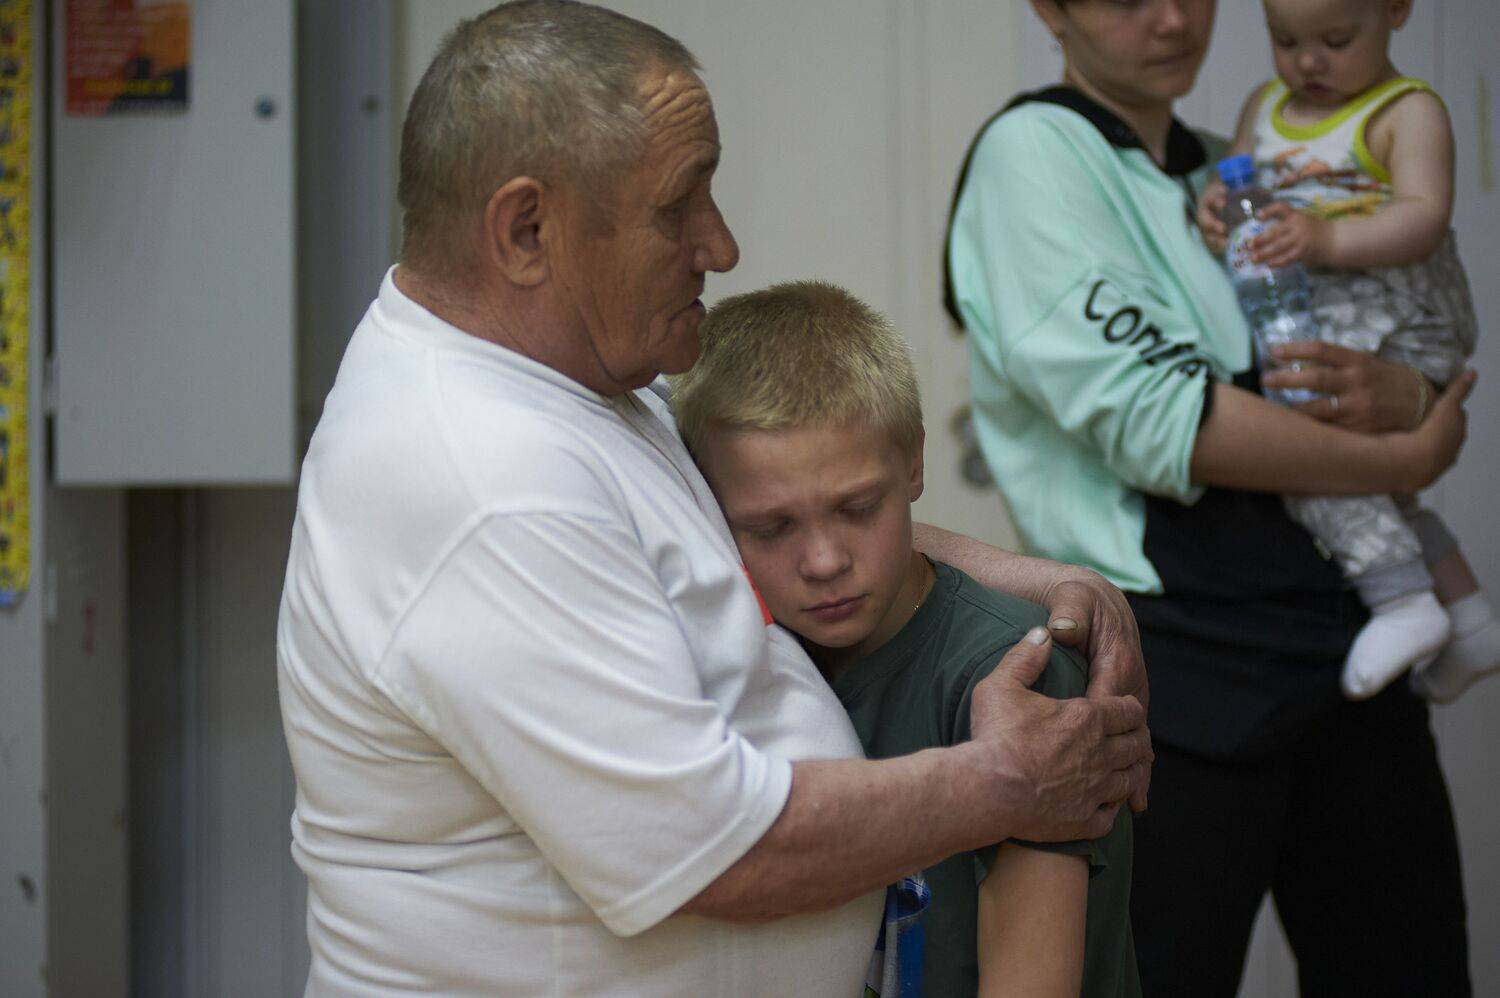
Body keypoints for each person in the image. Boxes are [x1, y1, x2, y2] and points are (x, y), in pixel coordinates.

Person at [276, 3, 1153, 995]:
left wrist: (1042, 578)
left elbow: (731, 521)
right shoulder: (479, 478)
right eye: (676, 208)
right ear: (526, 231)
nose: (722, 245)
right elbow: (716, 853)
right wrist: (1010, 780)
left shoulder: (571, 380)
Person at [944, 0, 1474, 994]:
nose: (1174, 17)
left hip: (1343, 635)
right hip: (1172, 667)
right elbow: (1165, 419)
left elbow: (1369, 332)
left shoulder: (1227, 162)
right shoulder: (1036, 152)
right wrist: (1404, 458)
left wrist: (1408, 394)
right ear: (1051, 10)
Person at [672, 280, 1141, 998]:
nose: (823, 561)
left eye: (859, 508)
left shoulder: (1013, 675)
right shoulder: (749, 647)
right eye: (771, 527)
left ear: (915, 463)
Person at [1195, 0, 1499, 704]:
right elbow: (1238, 185)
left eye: (1336, 40)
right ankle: (1468, 614)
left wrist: (1326, 238)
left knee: (1307, 449)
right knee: (1371, 475)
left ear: (1395, 10)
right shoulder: (1264, 105)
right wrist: (1219, 212)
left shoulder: (1406, 111)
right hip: (1319, 305)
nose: (1308, 62)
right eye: (1285, 40)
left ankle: (1401, 600)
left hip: (1397, 306)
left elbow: (1424, 218)